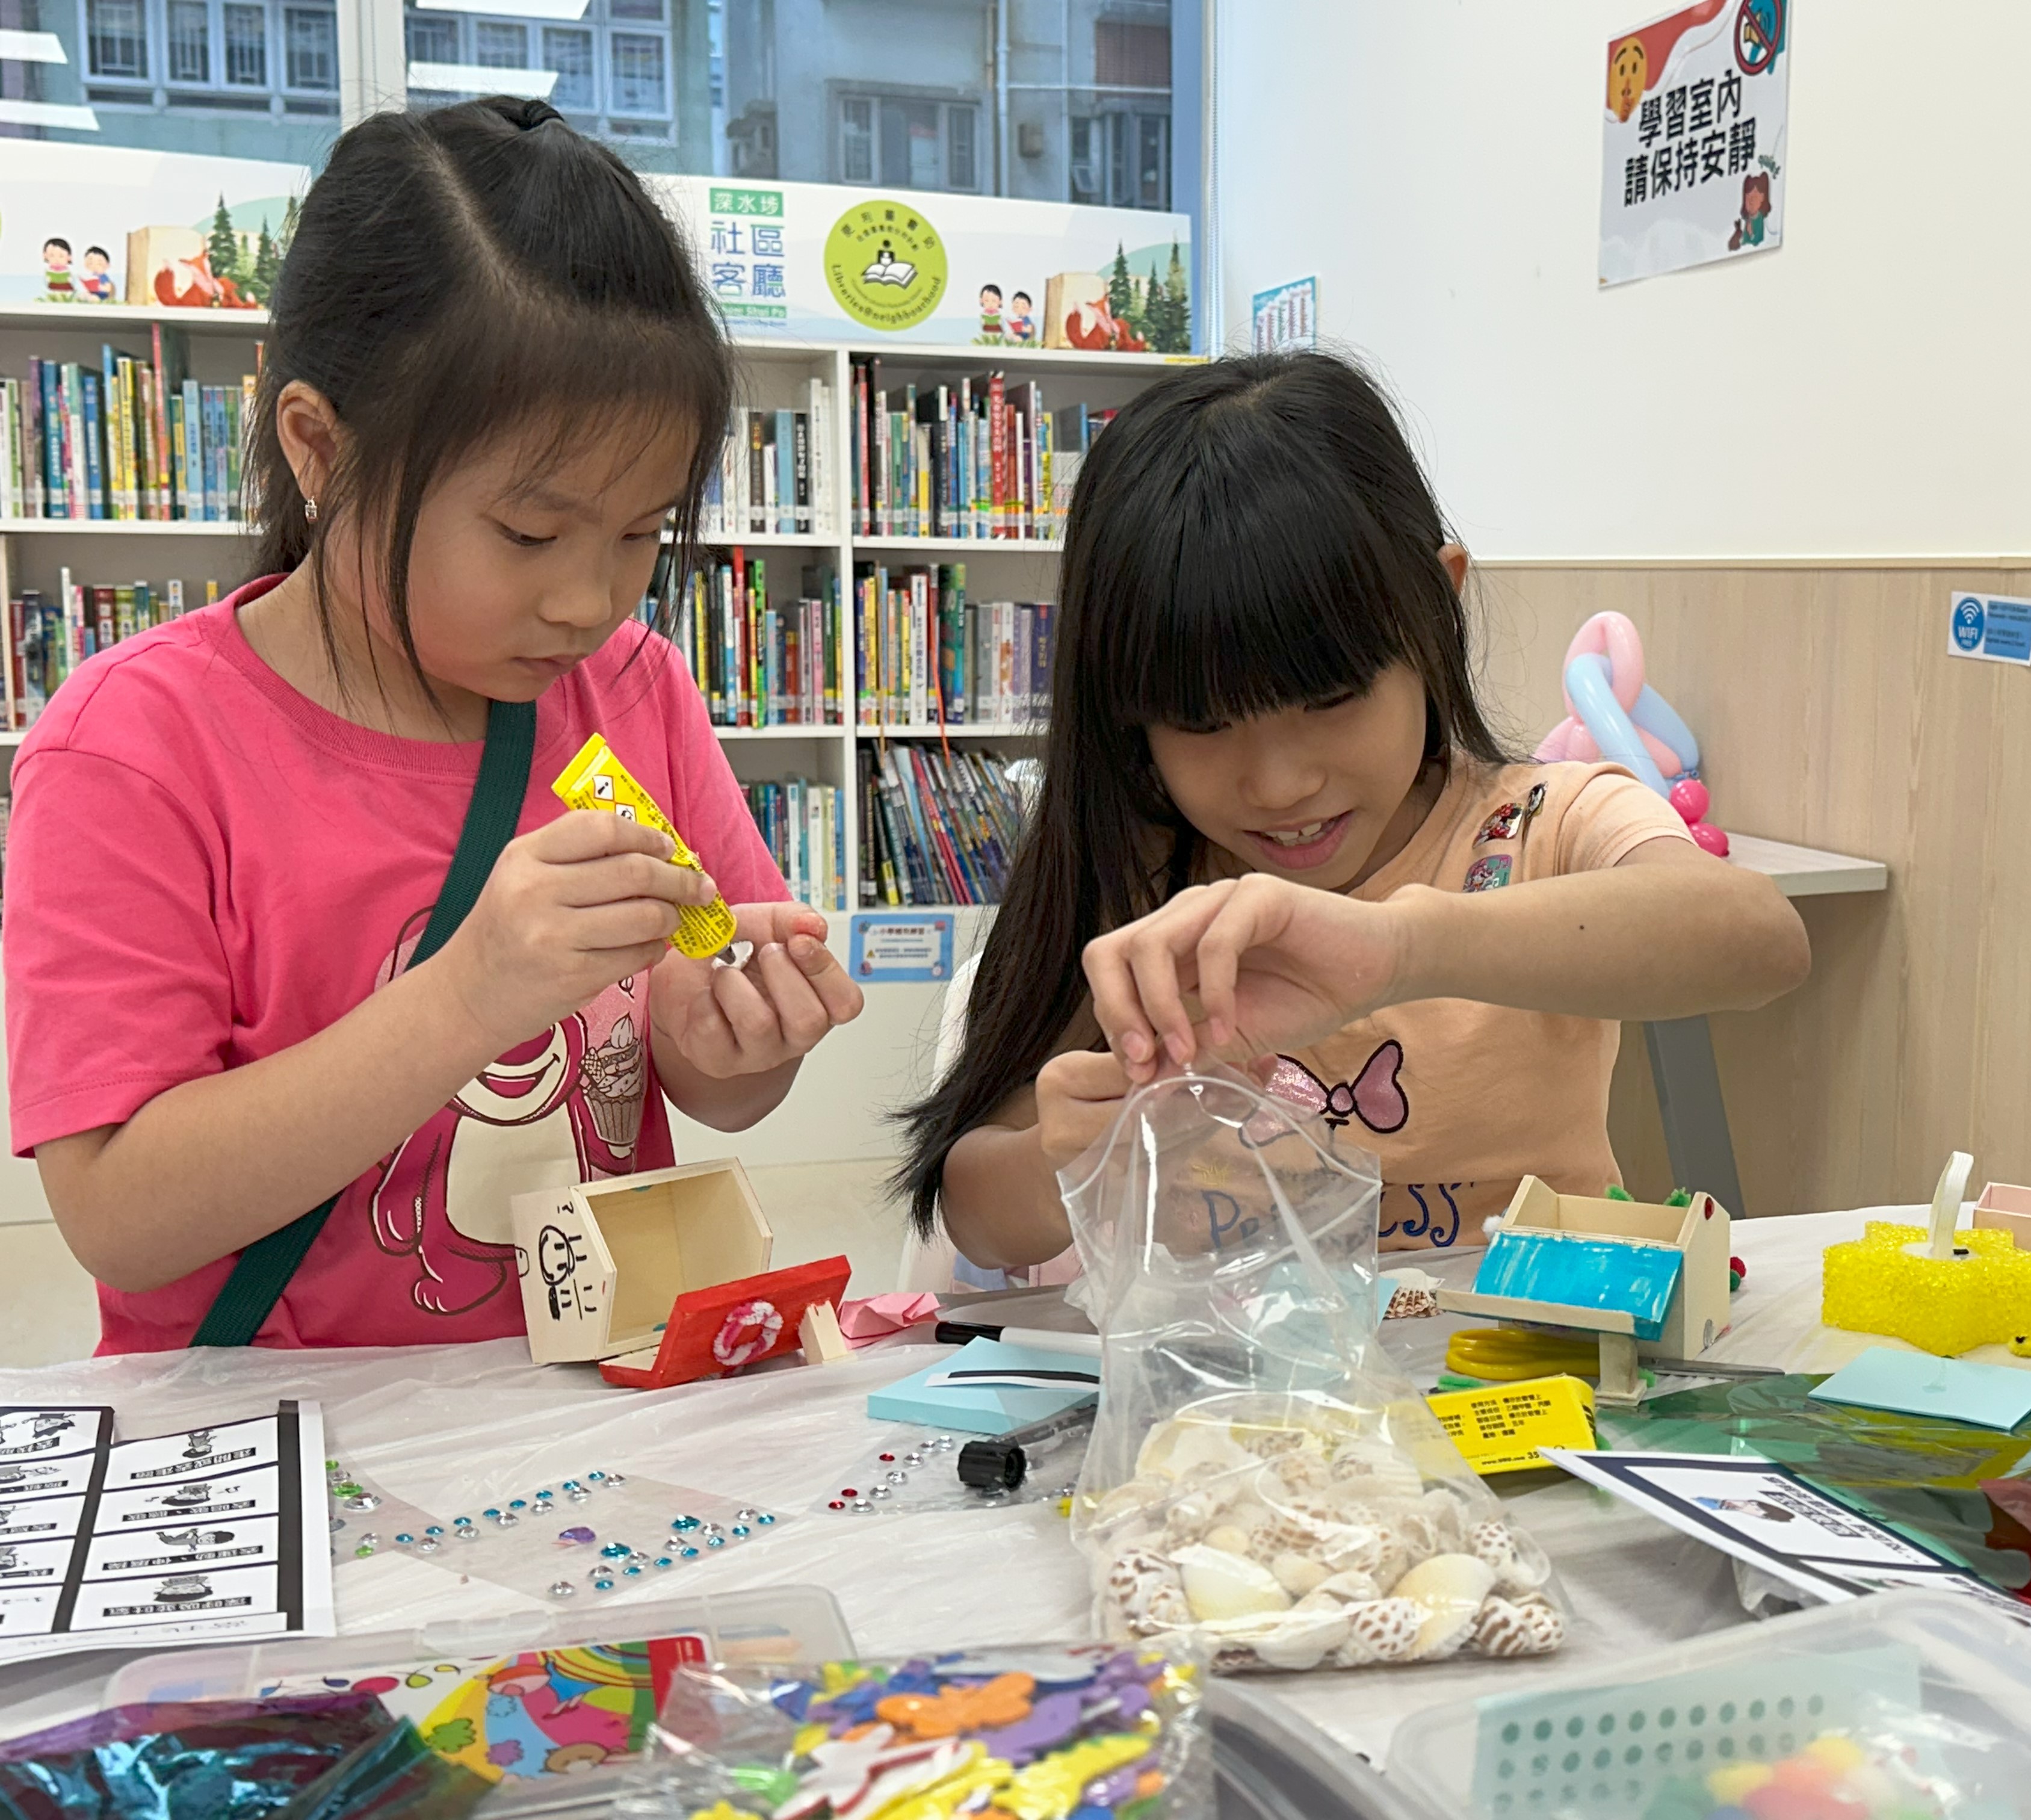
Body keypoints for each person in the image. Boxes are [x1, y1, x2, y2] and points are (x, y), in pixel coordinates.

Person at [5, 98, 863, 1352]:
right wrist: (466, 998)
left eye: (640, 532)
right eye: (528, 532)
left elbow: (712, 1080)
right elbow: (119, 1218)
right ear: (320, 449)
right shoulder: (134, 747)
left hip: (602, 1401)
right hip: (288, 1429)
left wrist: (738, 1042)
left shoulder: (632, 691)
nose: (587, 601)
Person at [899, 351, 1808, 1269]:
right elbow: (974, 1213)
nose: (1279, 784)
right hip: (1237, 1357)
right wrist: (1066, 1163)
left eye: (1331, 698)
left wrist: (1402, 948)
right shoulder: (1132, 872)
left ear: (1436, 606)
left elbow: (1761, 940)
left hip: (1526, 1347)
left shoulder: (1538, 825)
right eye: (1202, 724)